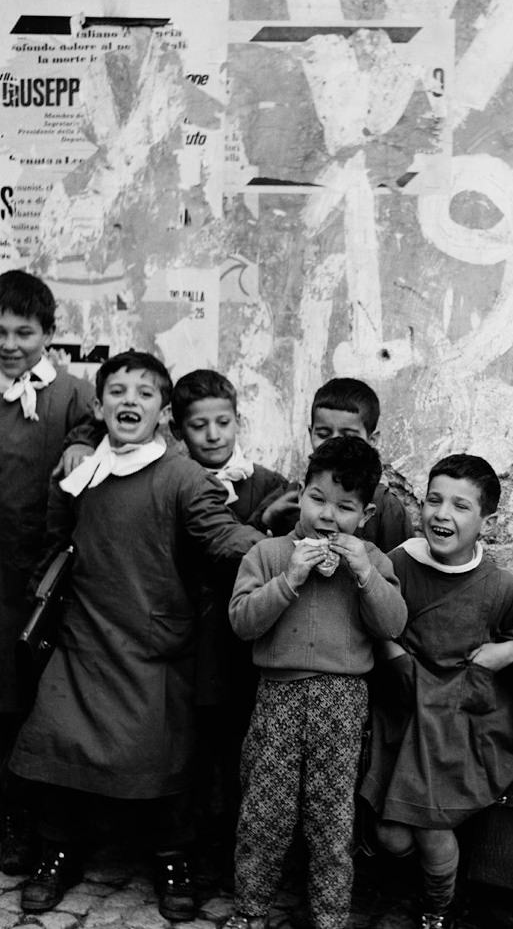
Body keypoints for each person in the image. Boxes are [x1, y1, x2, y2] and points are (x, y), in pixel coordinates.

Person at [9, 350, 265, 922]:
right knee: (56, 742)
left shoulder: (182, 476)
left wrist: (284, 550)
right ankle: (57, 852)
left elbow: (221, 537)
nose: (131, 401)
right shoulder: (80, 472)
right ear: (98, 407)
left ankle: (173, 860)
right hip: (83, 639)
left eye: (145, 393)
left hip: (154, 646)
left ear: (163, 412)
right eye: (118, 392)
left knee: (164, 758)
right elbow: (57, 543)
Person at [225, 435, 407, 929]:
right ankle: (250, 909)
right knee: (265, 810)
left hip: (343, 703)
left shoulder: (373, 562)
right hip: (278, 698)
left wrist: (366, 574)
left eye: (345, 507)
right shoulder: (267, 554)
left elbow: (392, 625)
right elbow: (242, 622)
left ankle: (330, 916)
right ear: (300, 492)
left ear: (365, 513)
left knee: (331, 818)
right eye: (317, 499)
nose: (328, 515)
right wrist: (288, 580)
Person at [359, 453, 513, 929]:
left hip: (460, 721)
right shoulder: (397, 563)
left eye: (460, 506)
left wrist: (509, 652)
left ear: (485, 520)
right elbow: (372, 614)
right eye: (434, 500)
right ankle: (391, 875)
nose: (442, 515)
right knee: (393, 836)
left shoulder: (500, 587)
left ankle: (437, 911)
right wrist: (388, 649)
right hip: (403, 713)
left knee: (433, 831)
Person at [168, 369, 288, 882]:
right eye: (199, 426)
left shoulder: (268, 484)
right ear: (178, 431)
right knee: (197, 753)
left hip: (251, 646)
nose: (213, 435)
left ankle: (246, 864)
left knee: (248, 752)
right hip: (196, 643)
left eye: (223, 422)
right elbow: (205, 555)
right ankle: (193, 855)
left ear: (238, 421)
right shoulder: (175, 484)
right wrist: (259, 524)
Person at [0, 270, 96, 875]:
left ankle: (33, 826)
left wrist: (83, 444)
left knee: (33, 706)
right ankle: (8, 820)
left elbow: (97, 439)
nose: (10, 344)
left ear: (50, 333)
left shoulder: (72, 395)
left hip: (40, 578)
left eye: (24, 332)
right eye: (1, 332)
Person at [252, 377, 413, 552]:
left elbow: (399, 569)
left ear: (372, 440)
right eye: (323, 434)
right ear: (310, 433)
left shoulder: (386, 506)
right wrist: (266, 519)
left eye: (349, 435)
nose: (335, 443)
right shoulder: (289, 495)